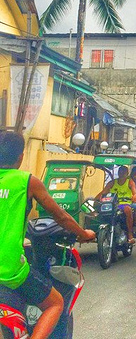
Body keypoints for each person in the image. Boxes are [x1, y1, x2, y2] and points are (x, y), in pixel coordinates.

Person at [0, 132, 95, 339]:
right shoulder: (27, 181)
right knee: (56, 303)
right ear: (21, 157)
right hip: (9, 270)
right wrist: (84, 234)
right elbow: (61, 216)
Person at [96, 165, 136, 244]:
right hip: (113, 205)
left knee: (127, 209)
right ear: (118, 173)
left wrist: (135, 196)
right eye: (120, 171)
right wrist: (94, 200)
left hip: (125, 205)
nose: (121, 173)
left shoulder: (130, 182)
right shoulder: (112, 183)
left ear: (127, 173)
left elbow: (134, 192)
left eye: (123, 172)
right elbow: (103, 192)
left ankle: (130, 234)